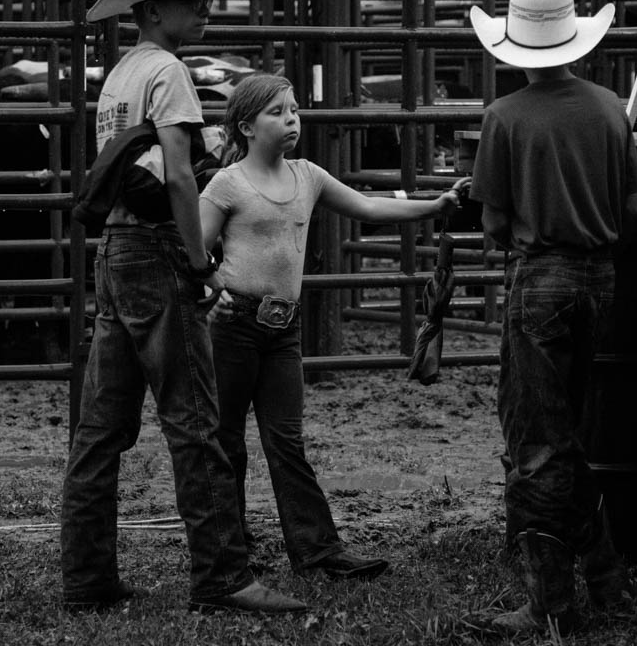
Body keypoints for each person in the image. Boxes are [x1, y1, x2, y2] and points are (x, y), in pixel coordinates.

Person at [60, 0, 307, 616]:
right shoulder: (167, 74)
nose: (204, 9)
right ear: (155, 7)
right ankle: (223, 575)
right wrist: (198, 257)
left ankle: (86, 575)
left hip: (117, 249)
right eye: (191, 0)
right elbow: (175, 171)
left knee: (101, 427)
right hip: (159, 253)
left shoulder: (121, 73)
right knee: (195, 419)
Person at [199, 74, 470, 581]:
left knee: (286, 441)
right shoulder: (226, 185)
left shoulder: (308, 176)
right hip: (234, 327)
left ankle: (317, 550)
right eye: (277, 112)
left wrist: (434, 206)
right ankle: (227, 548)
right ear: (246, 126)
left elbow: (368, 206)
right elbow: (194, 248)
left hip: (283, 327)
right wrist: (215, 290)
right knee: (225, 439)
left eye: (294, 110)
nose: (292, 120)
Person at [463, 0, 637, 636]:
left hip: (539, 276)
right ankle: (602, 572)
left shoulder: (504, 118)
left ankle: (550, 599)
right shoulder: (608, 110)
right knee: (569, 430)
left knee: (537, 439)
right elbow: (632, 208)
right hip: (600, 276)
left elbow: (493, 224)